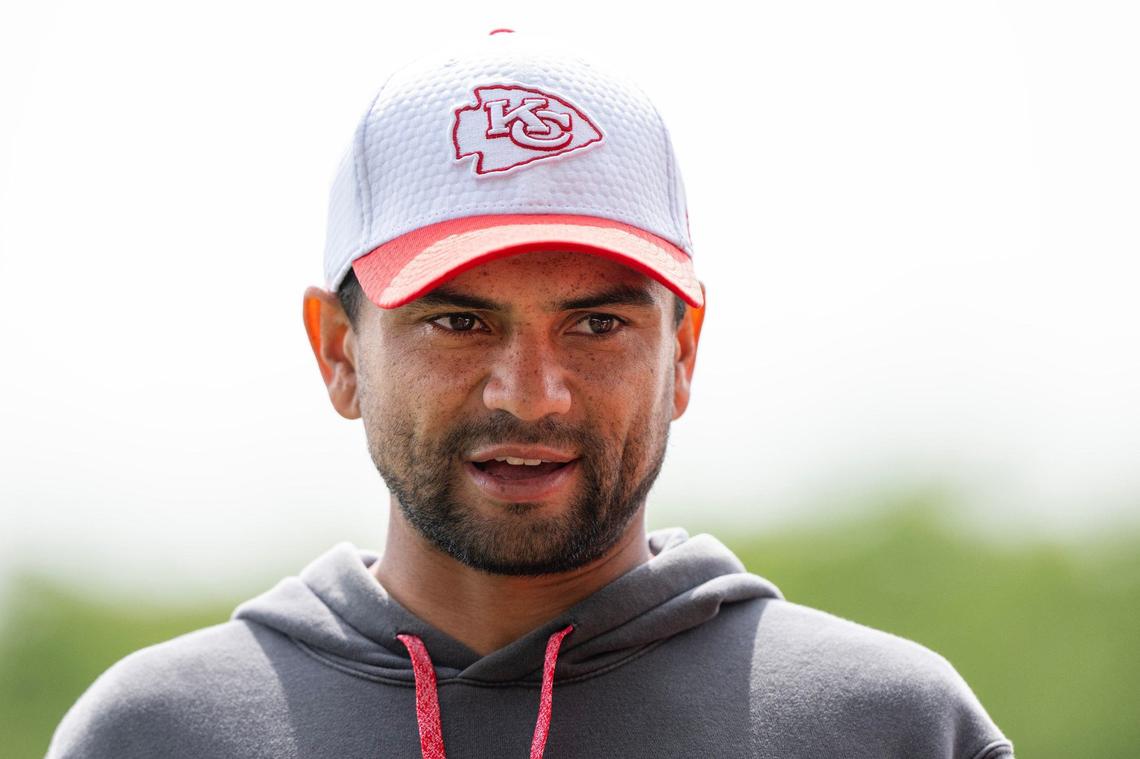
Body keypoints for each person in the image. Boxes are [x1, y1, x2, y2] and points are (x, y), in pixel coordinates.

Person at [46, 29, 1014, 759]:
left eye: (598, 325)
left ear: (685, 353)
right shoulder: (157, 734)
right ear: (338, 351)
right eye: (457, 322)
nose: (534, 395)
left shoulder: (888, 728)